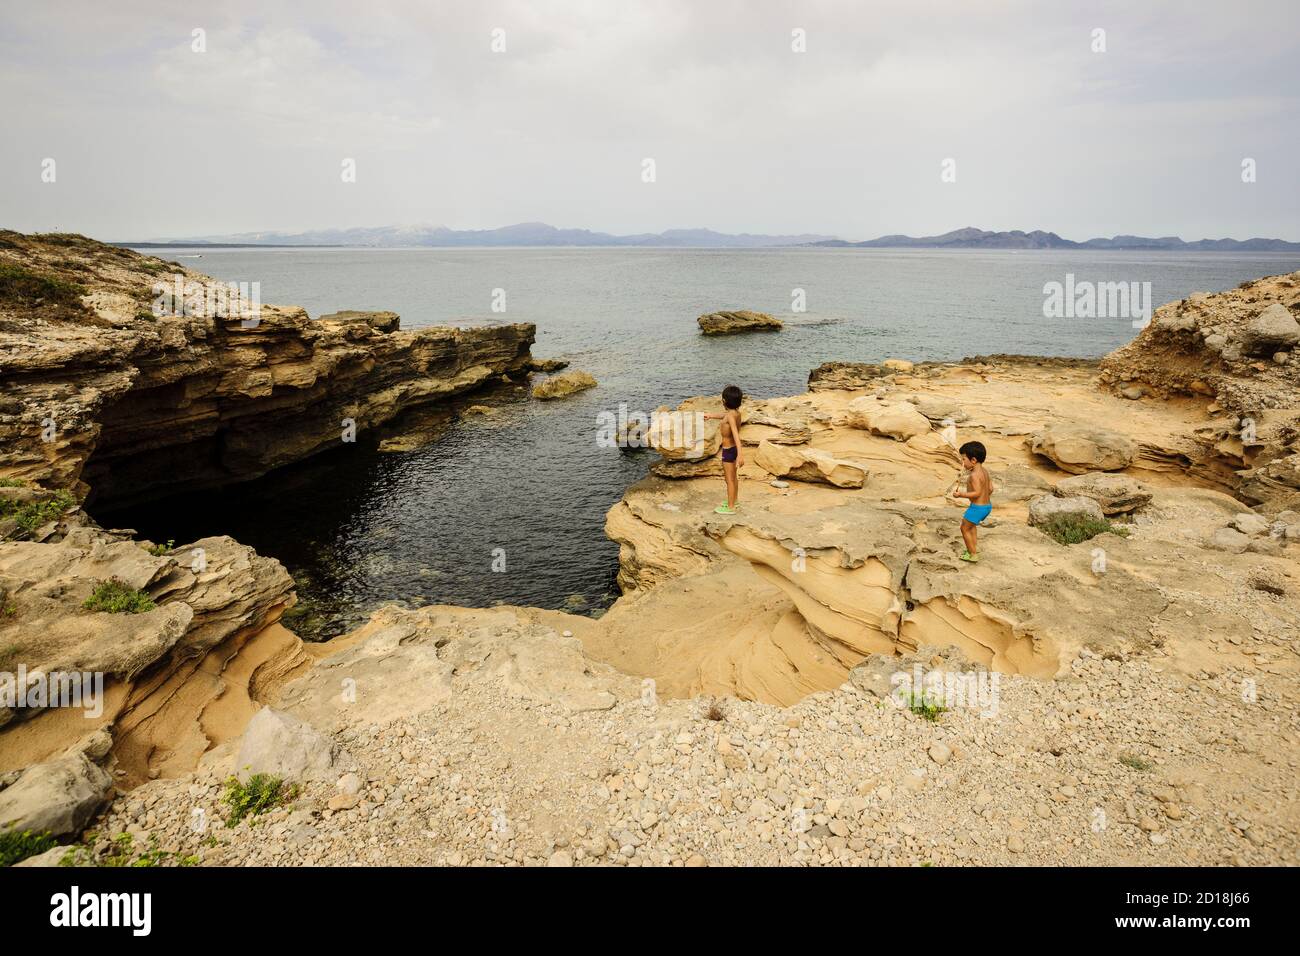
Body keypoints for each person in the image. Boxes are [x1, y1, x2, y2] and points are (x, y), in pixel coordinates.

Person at [704, 385, 744, 514]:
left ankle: (730, 507)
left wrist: (740, 455)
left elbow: (736, 436)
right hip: (733, 450)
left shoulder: (731, 416)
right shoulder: (736, 413)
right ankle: (734, 501)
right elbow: (724, 416)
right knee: (734, 477)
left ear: (724, 401)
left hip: (729, 451)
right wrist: (710, 415)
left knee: (729, 479)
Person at [952, 440, 992, 562]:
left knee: (964, 528)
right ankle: (973, 547)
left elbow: (977, 493)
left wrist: (960, 494)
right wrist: (984, 497)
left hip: (977, 508)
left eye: (964, 459)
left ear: (973, 460)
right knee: (971, 526)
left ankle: (972, 554)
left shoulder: (974, 475)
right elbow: (990, 488)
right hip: (987, 506)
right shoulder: (984, 471)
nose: (962, 463)